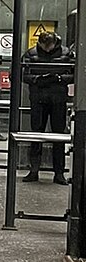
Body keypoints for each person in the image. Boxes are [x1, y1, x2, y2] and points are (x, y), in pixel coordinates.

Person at [21, 27, 74, 185]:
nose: (46, 49)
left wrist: (58, 79)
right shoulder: (32, 53)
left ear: (54, 43)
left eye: (48, 46)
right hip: (41, 99)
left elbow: (74, 73)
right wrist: (38, 79)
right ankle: (35, 170)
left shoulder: (65, 54)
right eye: (43, 47)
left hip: (55, 99)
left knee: (57, 136)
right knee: (36, 135)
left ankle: (58, 172)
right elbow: (21, 73)